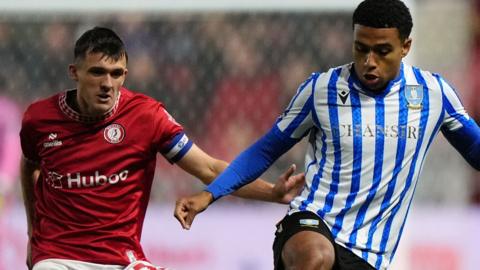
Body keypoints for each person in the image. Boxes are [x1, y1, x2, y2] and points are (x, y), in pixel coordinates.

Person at [173, 0, 480, 269]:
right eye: (361, 48)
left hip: (372, 254)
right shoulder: (322, 89)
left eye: (382, 51)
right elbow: (264, 151)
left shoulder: (432, 94)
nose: (369, 61)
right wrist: (210, 194)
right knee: (315, 257)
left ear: (406, 47)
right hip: (314, 221)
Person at [19, 26, 305, 270]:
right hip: (57, 258)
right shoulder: (39, 119)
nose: (107, 84)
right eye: (97, 72)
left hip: (122, 260)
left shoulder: (146, 116)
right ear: (74, 72)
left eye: (116, 74)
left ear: (125, 74)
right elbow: (30, 165)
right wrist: (34, 232)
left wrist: (272, 193)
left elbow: (208, 168)